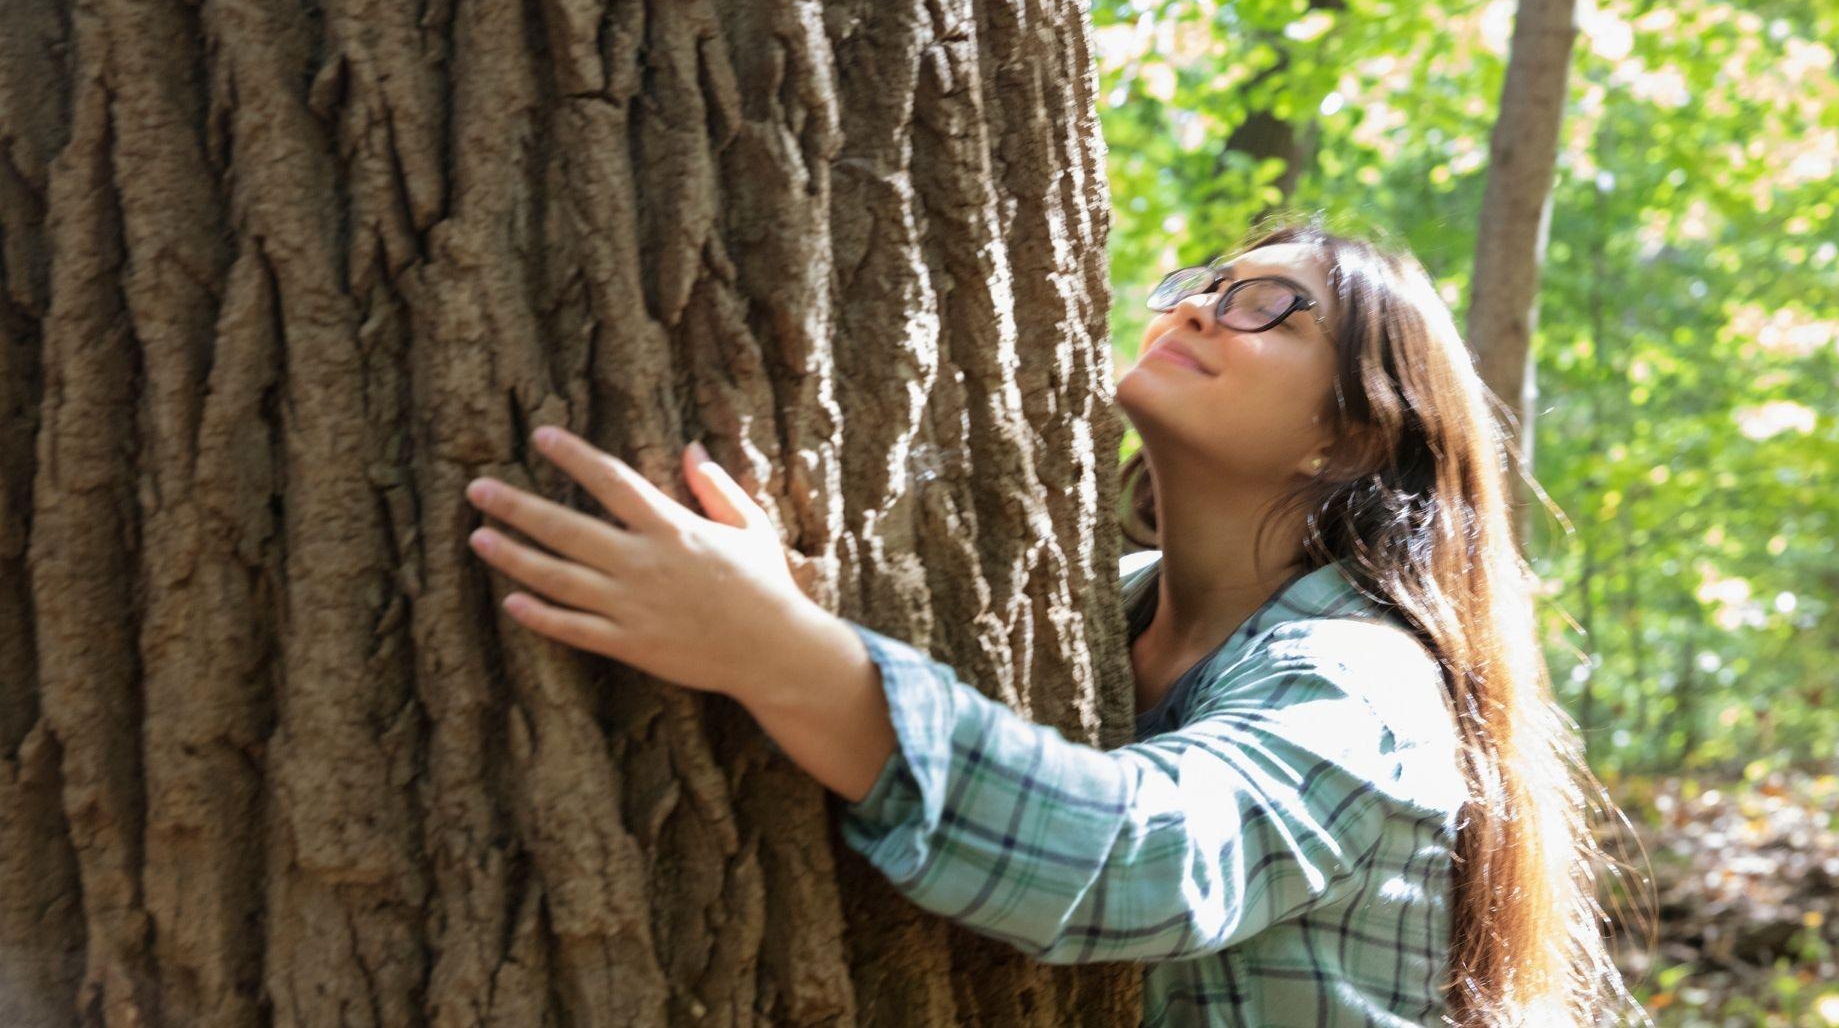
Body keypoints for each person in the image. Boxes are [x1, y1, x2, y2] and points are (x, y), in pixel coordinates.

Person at [461, 211, 1648, 1026]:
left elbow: (1144, 864)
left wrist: (777, 655)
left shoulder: (1369, 682)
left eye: (1267, 308)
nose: (1195, 312)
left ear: (1350, 436)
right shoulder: (1107, 613)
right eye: (1206, 287)